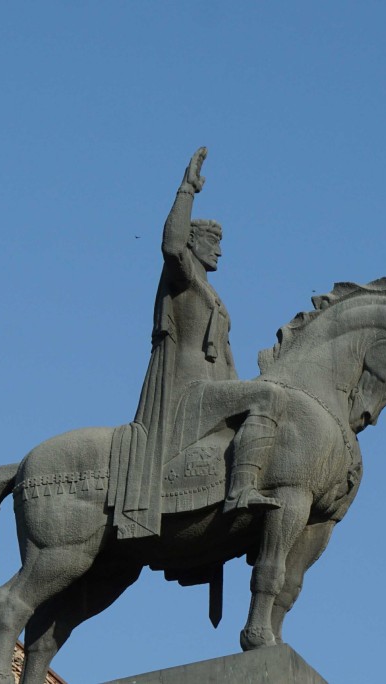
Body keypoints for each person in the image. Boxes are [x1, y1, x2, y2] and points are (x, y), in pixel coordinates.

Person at [132, 147, 288, 519]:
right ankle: (241, 490)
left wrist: (238, 384)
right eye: (212, 243)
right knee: (267, 397)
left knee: (265, 397)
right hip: (189, 389)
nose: (219, 251)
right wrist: (187, 189)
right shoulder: (183, 276)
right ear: (193, 243)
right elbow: (170, 245)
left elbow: (227, 356)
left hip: (214, 383)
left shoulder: (211, 292)